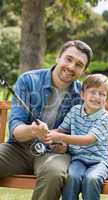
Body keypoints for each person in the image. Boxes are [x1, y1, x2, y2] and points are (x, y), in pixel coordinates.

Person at [0, 40, 93, 200]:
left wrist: (66, 145)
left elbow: (84, 138)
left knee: (54, 174)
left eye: (79, 64)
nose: (71, 67)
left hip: (52, 154)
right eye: (68, 59)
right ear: (58, 58)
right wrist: (33, 130)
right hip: (19, 149)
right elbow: (16, 131)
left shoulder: (83, 96)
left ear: (83, 70)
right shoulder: (28, 81)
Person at [45, 74, 108, 200]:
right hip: (78, 159)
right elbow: (61, 129)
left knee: (92, 178)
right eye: (93, 92)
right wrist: (46, 132)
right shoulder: (75, 111)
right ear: (83, 94)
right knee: (71, 177)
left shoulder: (106, 118)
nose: (96, 97)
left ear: (107, 99)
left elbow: (88, 140)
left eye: (102, 94)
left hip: (100, 162)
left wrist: (60, 136)